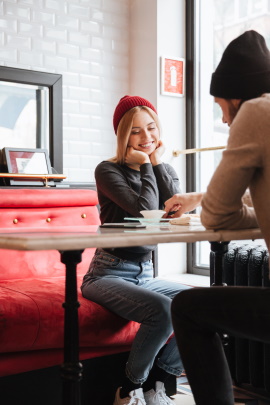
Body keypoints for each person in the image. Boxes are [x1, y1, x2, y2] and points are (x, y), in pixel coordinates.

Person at [168, 30, 270, 405]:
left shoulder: (256, 111)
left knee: (188, 308)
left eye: (220, 106)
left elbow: (217, 214)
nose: (224, 120)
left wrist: (217, 206)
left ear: (238, 98)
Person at [81, 95, 190, 405]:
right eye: (136, 131)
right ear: (123, 136)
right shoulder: (107, 171)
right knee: (163, 311)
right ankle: (128, 389)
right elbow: (143, 213)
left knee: (198, 305)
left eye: (151, 129)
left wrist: (156, 163)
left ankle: (159, 383)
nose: (147, 138)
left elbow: (176, 209)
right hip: (107, 272)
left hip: (145, 273)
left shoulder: (163, 167)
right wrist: (146, 166)